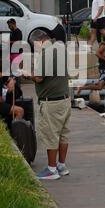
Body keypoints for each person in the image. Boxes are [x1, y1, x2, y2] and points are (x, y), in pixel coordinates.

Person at [24, 29, 71, 180]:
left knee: (51, 135)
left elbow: (39, 77)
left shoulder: (46, 53)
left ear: (39, 41)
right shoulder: (61, 49)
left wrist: (27, 74)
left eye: (34, 45)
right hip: (65, 99)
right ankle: (61, 166)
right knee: (63, 135)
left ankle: (51, 170)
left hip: (52, 102)